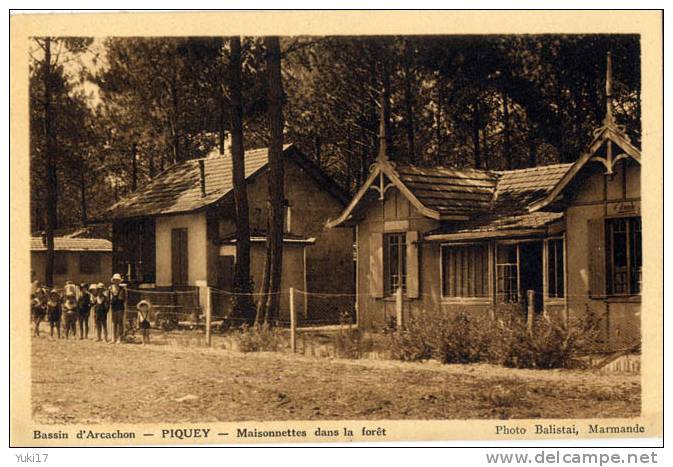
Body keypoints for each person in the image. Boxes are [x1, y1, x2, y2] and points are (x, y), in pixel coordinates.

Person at [108, 273, 127, 344]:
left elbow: (125, 298)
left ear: (119, 281)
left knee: (120, 322)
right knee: (114, 323)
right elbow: (109, 298)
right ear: (113, 280)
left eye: (118, 280)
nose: (116, 281)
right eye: (115, 280)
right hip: (113, 306)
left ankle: (120, 338)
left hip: (120, 306)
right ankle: (113, 338)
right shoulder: (110, 288)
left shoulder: (122, 289)